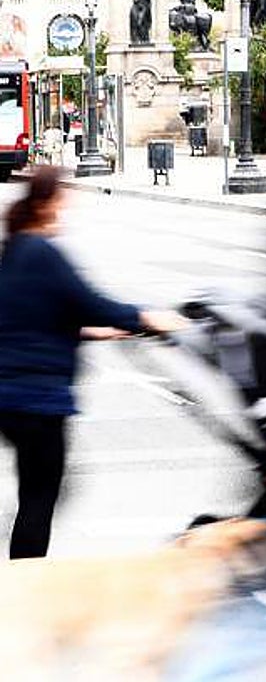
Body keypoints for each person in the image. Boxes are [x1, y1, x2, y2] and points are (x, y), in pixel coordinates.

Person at [0, 167, 181, 559]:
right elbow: (90, 301)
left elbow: (31, 314)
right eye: (63, 200)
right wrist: (146, 318)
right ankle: (25, 583)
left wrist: (91, 332)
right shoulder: (42, 252)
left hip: (13, 399)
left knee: (38, 492)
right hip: (37, 399)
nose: (66, 209)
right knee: (40, 498)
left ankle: (23, 575)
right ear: (48, 203)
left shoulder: (15, 250)